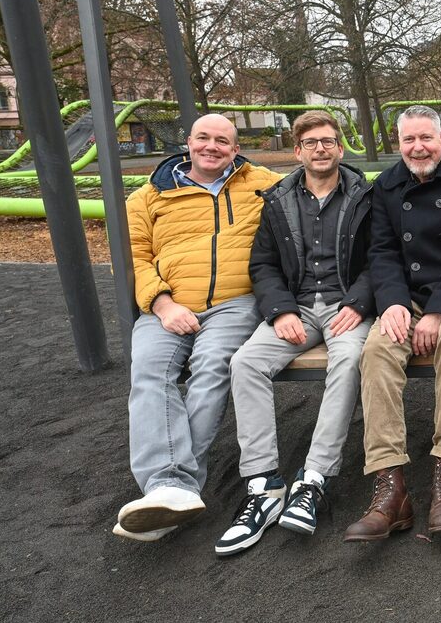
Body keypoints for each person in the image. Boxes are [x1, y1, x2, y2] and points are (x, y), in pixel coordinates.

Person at [213, 111, 374, 556]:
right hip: (297, 307)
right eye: (311, 142)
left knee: (348, 360)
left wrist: (359, 303)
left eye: (328, 141)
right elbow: (262, 265)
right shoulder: (278, 200)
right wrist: (281, 309)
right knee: (245, 362)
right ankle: (264, 485)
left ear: (340, 149)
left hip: (348, 307)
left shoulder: (365, 196)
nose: (320, 149)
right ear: (297, 150)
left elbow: (381, 258)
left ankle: (315, 478)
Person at [114, 114, 278, 541]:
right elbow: (134, 258)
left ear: (235, 147)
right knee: (149, 372)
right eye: (203, 138)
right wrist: (163, 303)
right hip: (166, 303)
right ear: (187, 142)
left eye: (222, 140)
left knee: (212, 367)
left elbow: (317, 182)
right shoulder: (148, 197)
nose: (212, 146)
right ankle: (170, 487)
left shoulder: (261, 183)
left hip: (235, 302)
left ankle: (173, 488)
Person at [344, 105, 441, 541]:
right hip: (406, 295)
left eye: (425, 137)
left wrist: (436, 310)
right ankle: (391, 486)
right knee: (376, 349)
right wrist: (392, 302)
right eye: (408, 140)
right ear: (399, 143)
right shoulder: (387, 186)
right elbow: (383, 252)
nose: (417, 147)